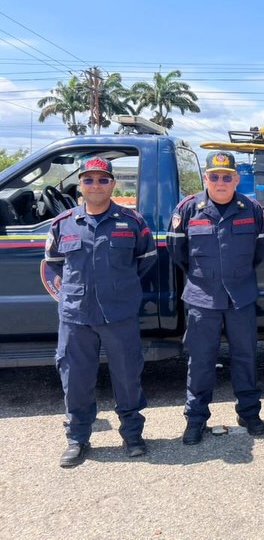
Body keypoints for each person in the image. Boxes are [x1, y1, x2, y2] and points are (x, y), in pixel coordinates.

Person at [45, 157, 156, 467]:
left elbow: (144, 261)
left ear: (112, 184)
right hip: (76, 317)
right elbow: (53, 265)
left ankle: (132, 434)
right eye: (89, 179)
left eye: (103, 179)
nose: (96, 185)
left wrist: (120, 290)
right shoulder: (63, 223)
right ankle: (77, 438)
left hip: (119, 315)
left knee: (127, 376)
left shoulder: (132, 221)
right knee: (76, 379)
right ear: (80, 183)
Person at [167, 151, 264, 445]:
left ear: (236, 179)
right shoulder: (187, 209)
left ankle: (249, 413)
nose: (221, 181)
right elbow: (179, 253)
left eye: (227, 176)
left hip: (241, 298)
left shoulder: (251, 209)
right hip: (202, 300)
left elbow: (258, 254)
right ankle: (196, 419)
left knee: (246, 358)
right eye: (214, 176)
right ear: (206, 178)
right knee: (200, 361)